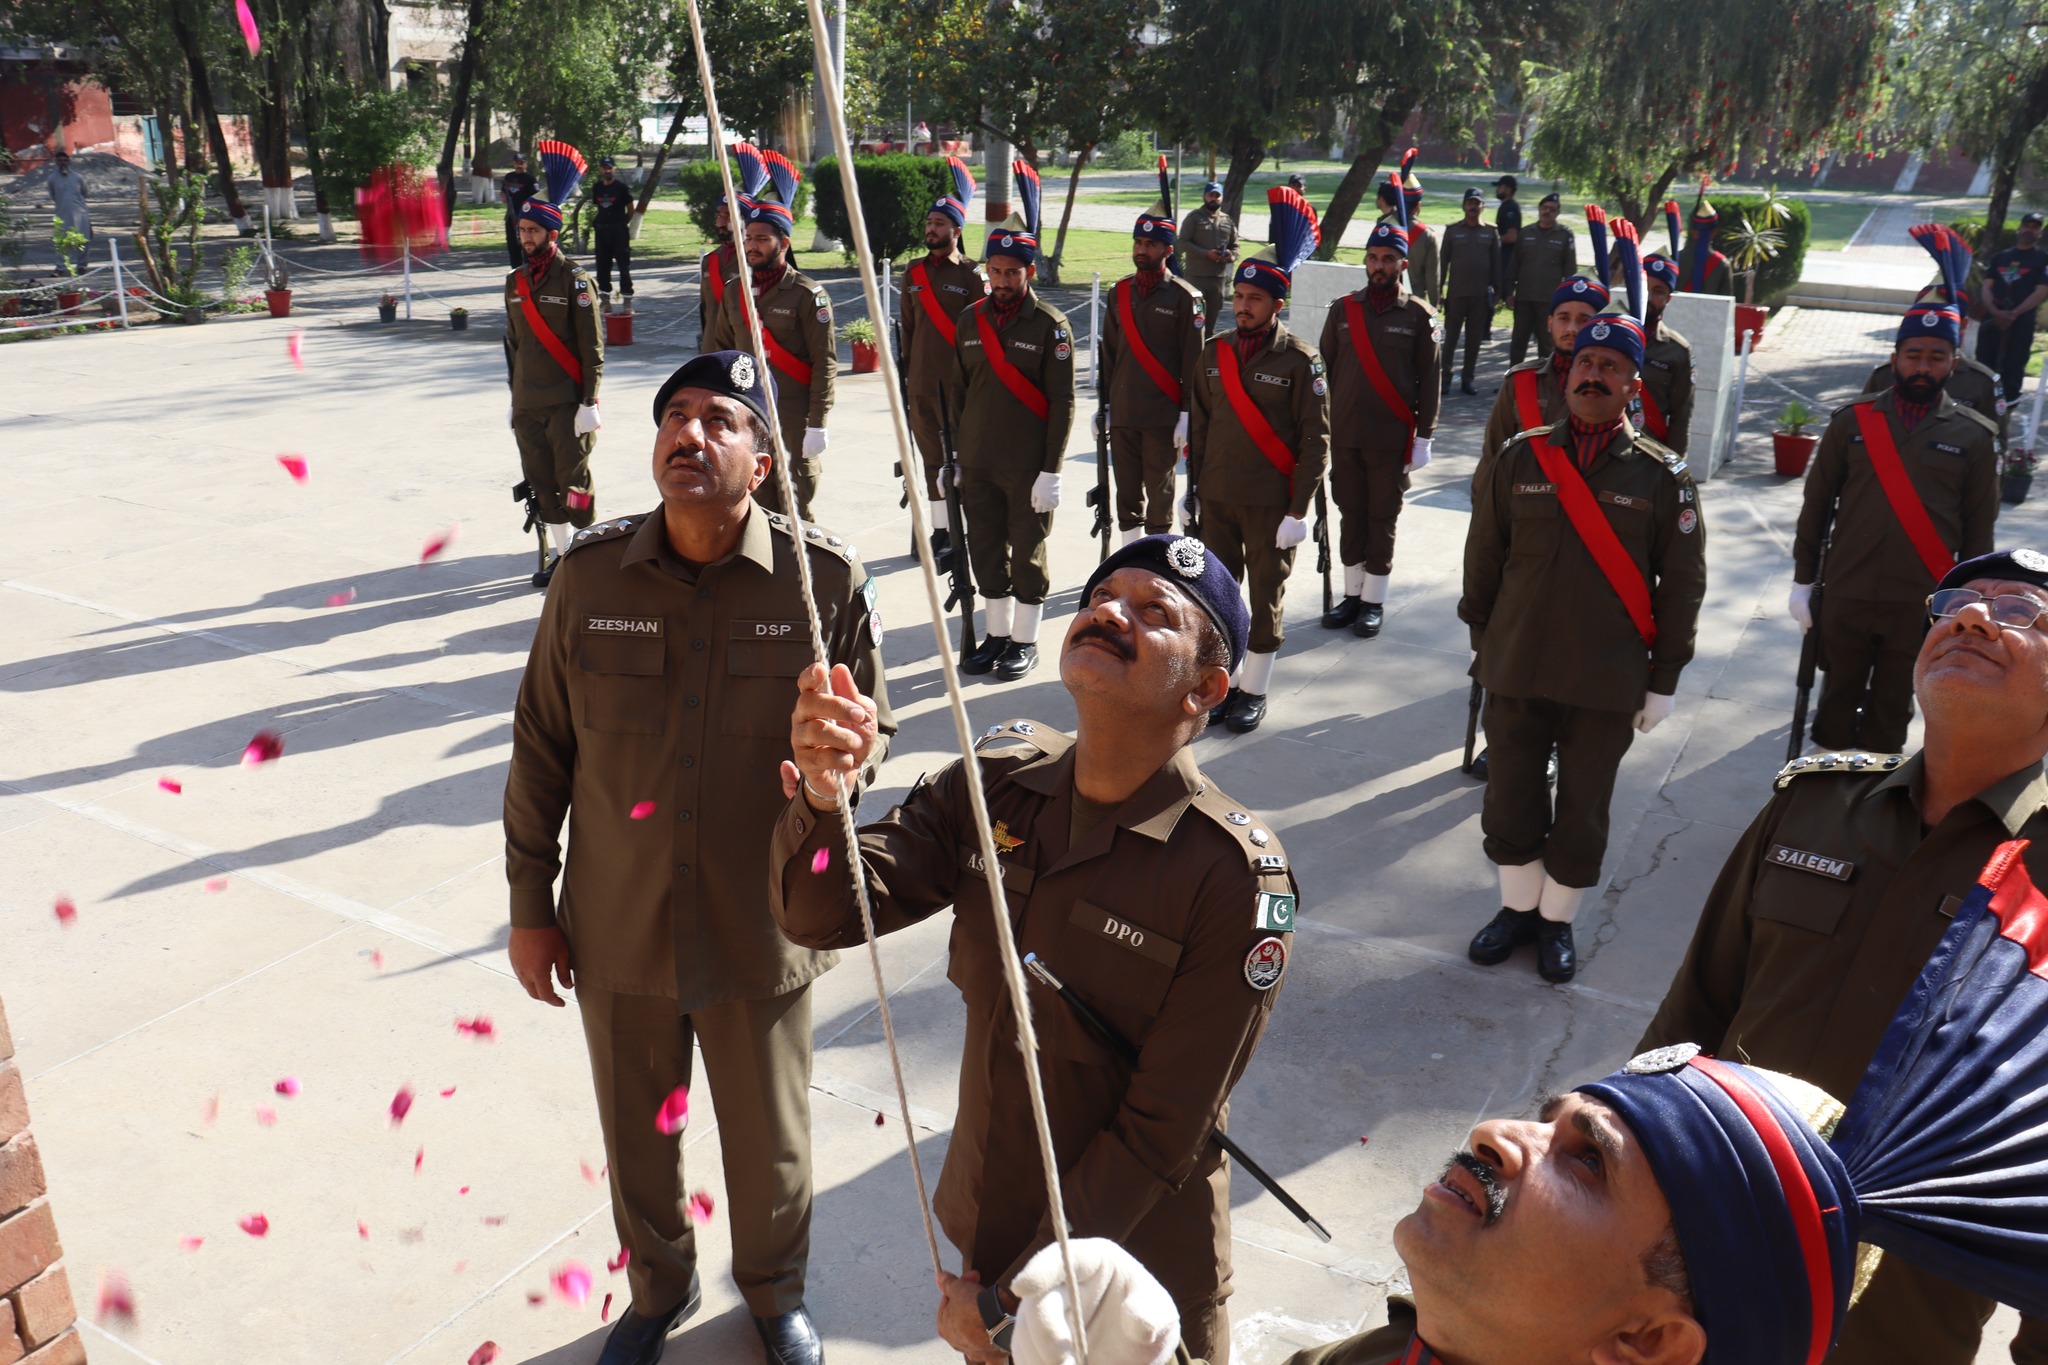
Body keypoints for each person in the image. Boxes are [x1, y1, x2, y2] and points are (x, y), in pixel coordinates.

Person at [771, 531, 1300, 1365]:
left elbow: (1160, 1130)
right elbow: (823, 910)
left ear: (1206, 687)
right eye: (1099, 597)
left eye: (1152, 611)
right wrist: (823, 794)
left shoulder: (1233, 876)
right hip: (996, 1222)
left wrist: (1012, 1300)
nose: (1110, 612)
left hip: (1132, 1289)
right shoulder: (997, 781)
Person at [503, 351, 890, 1365]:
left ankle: (773, 1295)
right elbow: (542, 745)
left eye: (720, 418)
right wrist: (528, 904)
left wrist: (841, 761)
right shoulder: (589, 578)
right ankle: (656, 1290)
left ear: (760, 460)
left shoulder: (823, 584)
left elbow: (871, 735)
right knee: (639, 1134)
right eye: (674, 414)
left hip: (761, 921)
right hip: (618, 919)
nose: (690, 433)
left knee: (769, 1139)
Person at [1641, 546, 2048, 1365]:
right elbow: (1694, 1016)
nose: (1971, 615)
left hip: (1896, 1315)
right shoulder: (1812, 807)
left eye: (2020, 612)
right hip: (1705, 1248)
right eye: (1959, 601)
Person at [1461, 313, 1706, 983]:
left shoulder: (1663, 476)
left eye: (1610, 367)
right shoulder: (1522, 455)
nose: (1592, 375)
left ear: (1633, 384)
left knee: (1582, 806)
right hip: (1516, 665)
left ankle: (1556, 921)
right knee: (1509, 797)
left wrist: (1665, 679)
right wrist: (1486, 643)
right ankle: (1515, 910)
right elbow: (1484, 559)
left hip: (1606, 677)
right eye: (1583, 364)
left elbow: (1682, 584)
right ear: (1566, 373)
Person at [1790, 300, 2000, 754]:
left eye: (1936, 357)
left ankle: (1875, 800)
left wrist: (1970, 599)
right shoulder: (1851, 422)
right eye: (1914, 355)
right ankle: (1824, 794)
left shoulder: (1974, 435)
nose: (1923, 366)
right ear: (1895, 359)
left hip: (1921, 597)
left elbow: (1979, 531)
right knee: (1837, 695)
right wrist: (1803, 581)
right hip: (1848, 588)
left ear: (1953, 364)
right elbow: (1816, 507)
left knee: (1895, 702)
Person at [1188, 186, 1330, 733]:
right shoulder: (1214, 352)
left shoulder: (1301, 361)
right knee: (1217, 596)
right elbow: (1200, 426)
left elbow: (1315, 441)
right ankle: (1221, 683)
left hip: (1272, 505)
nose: (1243, 304)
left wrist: (1299, 511)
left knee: (1267, 596)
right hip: (1218, 496)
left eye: (1255, 297)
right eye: (1239, 295)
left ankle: (1254, 689)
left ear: (1277, 304)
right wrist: (1191, 490)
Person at [949, 161, 1076, 682]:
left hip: (1027, 467)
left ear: (1028, 273)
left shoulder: (1050, 326)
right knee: (984, 549)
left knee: (1026, 553)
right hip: (977, 462)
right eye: (995, 272)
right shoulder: (969, 320)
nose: (1001, 281)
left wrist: (1052, 470)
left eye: (1011, 273)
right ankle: (997, 634)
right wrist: (953, 459)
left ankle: (1024, 640)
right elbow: (958, 393)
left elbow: (1063, 403)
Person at [1317, 208, 1437, 639]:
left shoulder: (1420, 317)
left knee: (1382, 518)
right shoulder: (1343, 311)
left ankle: (1373, 601)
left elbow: (1430, 380)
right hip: (1346, 435)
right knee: (1351, 513)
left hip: (1391, 439)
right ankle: (1351, 595)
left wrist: (1424, 437)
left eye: (1389, 258)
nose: (1379, 266)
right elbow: (1323, 373)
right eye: (1373, 257)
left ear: (1403, 263)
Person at [718, 154, 835, 523]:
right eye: (748, 238)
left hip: (792, 415)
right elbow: (716, 351)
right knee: (747, 504)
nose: (752, 245)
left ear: (783, 243)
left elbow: (824, 363)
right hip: (745, 414)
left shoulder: (807, 294)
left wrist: (817, 422)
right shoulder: (734, 290)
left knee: (794, 509)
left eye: (761, 239)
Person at [504, 197, 605, 588]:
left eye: (534, 231)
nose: (527, 238)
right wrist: (514, 399)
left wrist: (589, 401)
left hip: (567, 403)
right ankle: (562, 557)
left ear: (552, 234)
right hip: (528, 403)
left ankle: (585, 554)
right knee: (541, 480)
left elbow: (592, 347)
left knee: (573, 481)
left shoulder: (576, 281)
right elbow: (513, 347)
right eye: (523, 231)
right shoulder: (515, 282)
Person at [1101, 190, 1205, 541]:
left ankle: (1156, 562)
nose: (1142, 249)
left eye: (1151, 244)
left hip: (1163, 416)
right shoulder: (1119, 293)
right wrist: (1105, 405)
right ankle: (1130, 561)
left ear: (1168, 250)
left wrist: (1187, 415)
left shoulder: (1184, 298)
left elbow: (1194, 363)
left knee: (1159, 499)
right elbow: (1109, 356)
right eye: (1138, 242)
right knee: (1126, 495)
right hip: (1125, 413)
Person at [899, 156, 984, 563]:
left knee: (959, 460)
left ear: (956, 230)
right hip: (920, 385)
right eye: (930, 223)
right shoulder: (912, 273)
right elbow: (910, 333)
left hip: (959, 386)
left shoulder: (971, 275)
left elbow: (984, 335)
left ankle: (960, 529)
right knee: (931, 460)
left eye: (940, 224)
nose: (931, 229)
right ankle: (937, 531)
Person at [1867, 222, 2008, 438]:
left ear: (1962, 324)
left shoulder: (1982, 383)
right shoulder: (1884, 376)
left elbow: (1993, 449)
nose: (1923, 367)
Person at [1476, 275, 1608, 491]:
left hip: (1585, 514)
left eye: (1584, 320)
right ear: (1550, 323)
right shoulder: (1519, 382)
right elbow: (1493, 455)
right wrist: (1481, 509)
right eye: (1563, 318)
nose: (1572, 328)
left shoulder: (1612, 387)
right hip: (1523, 512)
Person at [699, 143, 769, 355]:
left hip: (750, 354)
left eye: (727, 215)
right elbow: (706, 312)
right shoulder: (710, 261)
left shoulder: (759, 260)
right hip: (714, 354)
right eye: (718, 215)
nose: (721, 223)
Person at [1976, 210, 2048, 405]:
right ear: (2019, 228)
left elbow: (2041, 291)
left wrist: (2014, 313)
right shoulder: (2001, 257)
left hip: (2021, 321)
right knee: (1984, 361)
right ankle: (1980, 404)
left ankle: (2007, 407)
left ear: (2039, 233)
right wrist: (1995, 311)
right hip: (1993, 320)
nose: (2029, 230)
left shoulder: (2043, 259)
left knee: (2014, 364)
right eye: (2027, 226)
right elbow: (1987, 287)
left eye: (2035, 228)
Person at [1438, 187, 1502, 397]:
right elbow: (1443, 263)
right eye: (1470, 203)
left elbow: (1496, 264)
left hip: (1480, 296)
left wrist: (1498, 291)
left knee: (1474, 341)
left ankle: (1468, 379)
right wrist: (1439, 291)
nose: (1473, 206)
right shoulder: (1453, 231)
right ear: (1464, 206)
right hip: (1456, 294)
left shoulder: (1491, 232)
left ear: (1482, 207)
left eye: (1477, 203)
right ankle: (1445, 379)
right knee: (1451, 340)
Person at [1506, 192, 1576, 364]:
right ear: (1539, 209)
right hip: (1524, 298)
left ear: (1558, 212)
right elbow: (1514, 264)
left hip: (1549, 300)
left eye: (1552, 209)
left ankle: (1545, 383)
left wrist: (1568, 299)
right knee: (1518, 342)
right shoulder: (1526, 233)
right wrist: (1508, 292)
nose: (1547, 212)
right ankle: (1513, 382)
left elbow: (1570, 270)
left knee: (1547, 344)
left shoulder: (1564, 235)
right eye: (1544, 208)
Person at [1636, 257, 1696, 454]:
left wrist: (1675, 469)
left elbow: (1681, 416)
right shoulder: (1608, 335)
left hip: (1648, 455)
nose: (1649, 296)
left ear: (1669, 298)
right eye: (1645, 286)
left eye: (1658, 291)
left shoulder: (1677, 351)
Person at [1374, 155, 1438, 310]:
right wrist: (1434, 306)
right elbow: (1432, 277)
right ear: (1418, 206)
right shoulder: (1427, 235)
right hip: (1414, 302)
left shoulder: (1383, 226)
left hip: (1384, 299)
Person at [1177, 181, 1239, 338]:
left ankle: (1206, 356)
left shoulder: (1228, 221)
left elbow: (1236, 247)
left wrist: (1231, 256)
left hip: (1217, 281)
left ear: (1222, 198)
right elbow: (1182, 243)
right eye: (1211, 195)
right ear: (1204, 196)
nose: (1214, 198)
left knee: (1210, 325)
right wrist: (1206, 254)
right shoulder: (1194, 218)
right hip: (1196, 279)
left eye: (1217, 196)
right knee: (1193, 321)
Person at [589, 155, 635, 311]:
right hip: (602, 230)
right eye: (604, 167)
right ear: (600, 169)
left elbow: (630, 210)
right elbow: (599, 207)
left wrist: (621, 223)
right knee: (602, 265)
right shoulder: (597, 188)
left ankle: (627, 298)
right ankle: (605, 298)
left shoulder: (621, 188)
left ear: (614, 168)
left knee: (623, 265)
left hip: (618, 230)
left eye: (609, 167)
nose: (607, 170)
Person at [1676, 189, 1733, 297]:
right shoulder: (1723, 264)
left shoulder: (1676, 259)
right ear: (1714, 233)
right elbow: (1726, 302)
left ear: (1693, 232)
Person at [45, 150, 91, 269]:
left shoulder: (78, 177)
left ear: (69, 162)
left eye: (65, 161)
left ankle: (82, 265)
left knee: (83, 239)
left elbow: (84, 193)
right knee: (62, 240)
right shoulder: (52, 179)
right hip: (62, 213)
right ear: (56, 162)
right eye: (60, 161)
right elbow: (53, 195)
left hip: (80, 213)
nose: (63, 163)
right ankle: (61, 267)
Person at [501, 150, 539, 270]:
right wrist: (503, 196)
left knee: (526, 245)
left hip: (525, 217)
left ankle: (529, 270)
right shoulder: (509, 177)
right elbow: (503, 193)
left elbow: (536, 197)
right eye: (517, 162)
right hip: (511, 216)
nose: (519, 165)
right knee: (512, 246)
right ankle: (515, 272)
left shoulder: (530, 179)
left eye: (521, 163)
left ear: (526, 164)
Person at [1493, 174, 1522, 283]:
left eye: (1500, 187)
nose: (1497, 190)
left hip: (1507, 258)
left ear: (1508, 189)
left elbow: (1512, 236)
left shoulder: (1510, 208)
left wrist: (1493, 241)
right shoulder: (1506, 206)